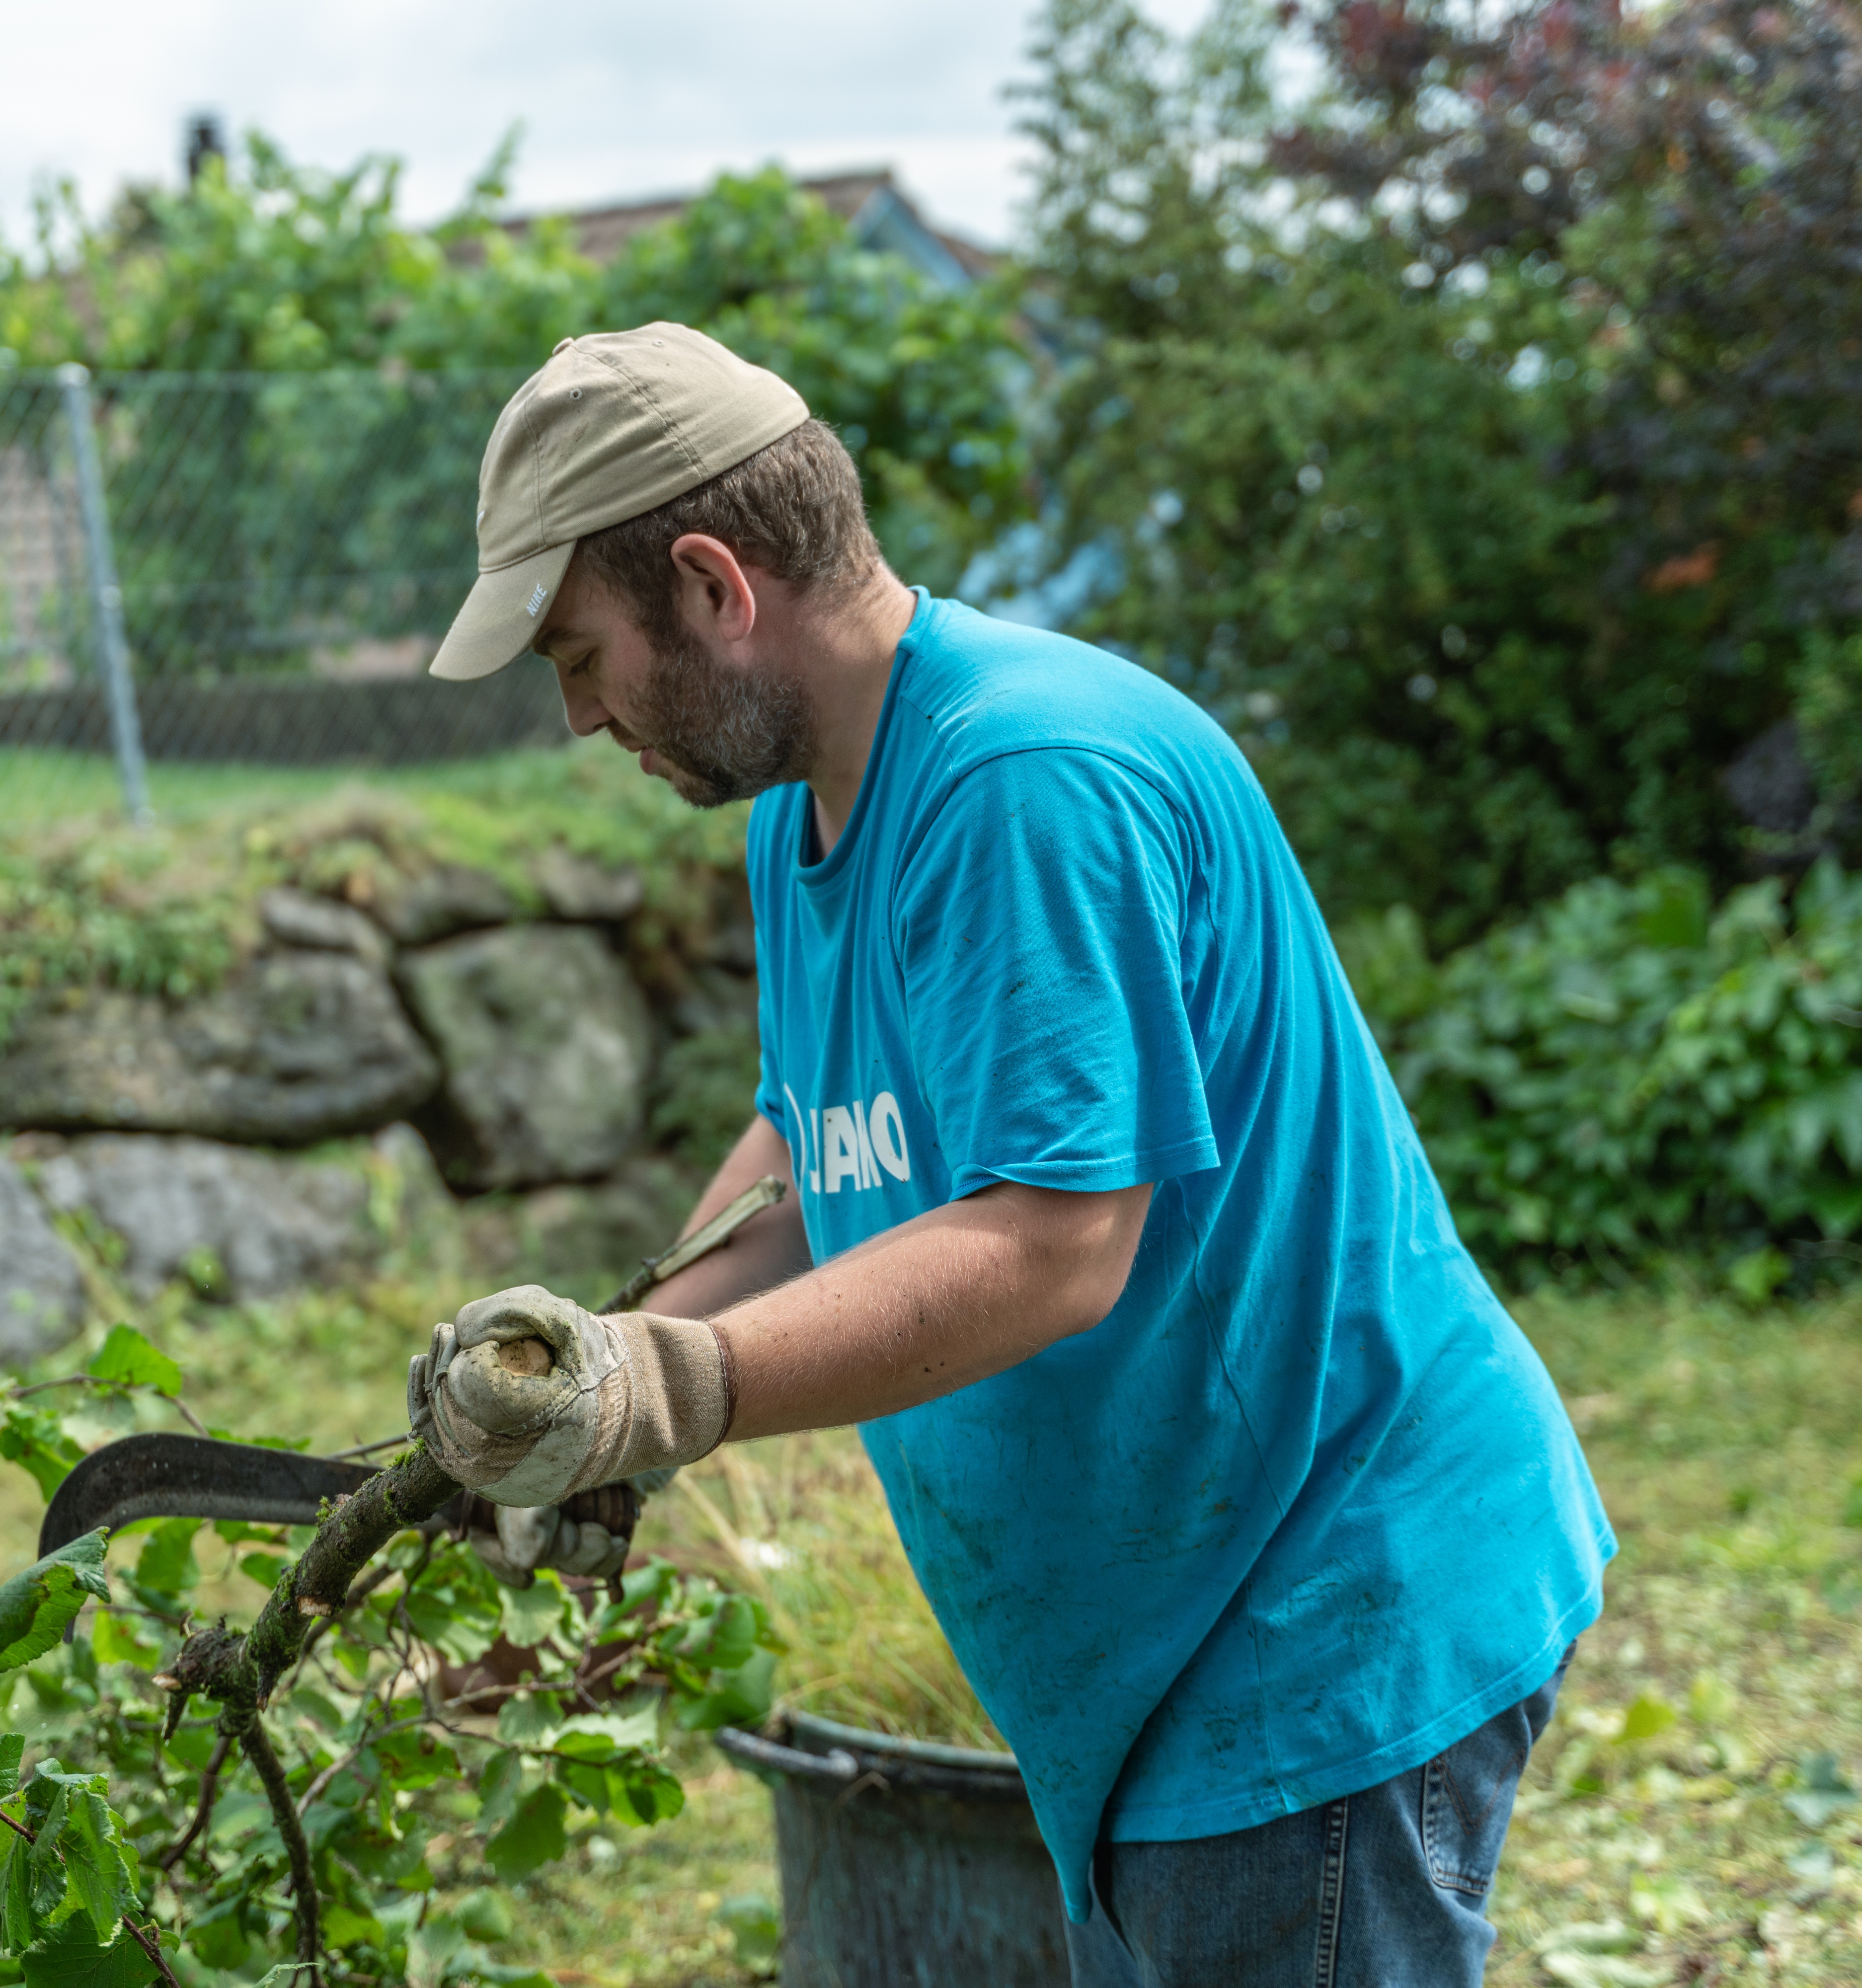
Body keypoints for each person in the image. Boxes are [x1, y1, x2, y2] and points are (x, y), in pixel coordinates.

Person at [403, 322, 1613, 1987]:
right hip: (1166, 1637)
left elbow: (1053, 1242)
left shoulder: (1022, 783)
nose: (577, 715)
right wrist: (600, 1379)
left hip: (1313, 1602)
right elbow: (820, 1137)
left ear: (710, 585)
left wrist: (672, 1382)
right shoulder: (802, 807)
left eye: (578, 651)